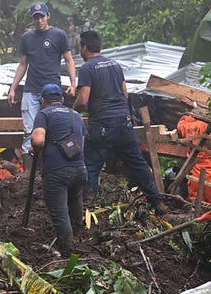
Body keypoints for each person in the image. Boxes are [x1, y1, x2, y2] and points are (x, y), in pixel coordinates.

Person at [73, 30, 168, 214]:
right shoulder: (115, 64)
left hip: (102, 124)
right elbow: (125, 94)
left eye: (80, 48)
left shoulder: (87, 68)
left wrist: (72, 111)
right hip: (124, 122)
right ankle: (158, 203)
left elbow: (83, 99)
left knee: (91, 165)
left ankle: (87, 208)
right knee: (137, 163)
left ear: (84, 47)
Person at [7, 1, 77, 175]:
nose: (39, 20)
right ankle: (28, 175)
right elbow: (23, 64)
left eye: (42, 16)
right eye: (36, 17)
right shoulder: (27, 38)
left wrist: (73, 83)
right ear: (33, 19)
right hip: (31, 89)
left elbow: (69, 60)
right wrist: (13, 88)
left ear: (48, 16)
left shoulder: (58, 35)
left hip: (52, 89)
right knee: (29, 131)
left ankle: (52, 171)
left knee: (53, 130)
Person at [31, 84, 86, 256]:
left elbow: (38, 140)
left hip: (56, 171)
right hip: (79, 168)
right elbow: (81, 143)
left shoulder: (44, 114)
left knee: (59, 211)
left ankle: (68, 248)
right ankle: (77, 237)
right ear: (62, 100)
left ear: (42, 100)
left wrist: (35, 148)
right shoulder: (75, 115)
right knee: (75, 202)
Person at [176, 114, 211, 203]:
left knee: (195, 196)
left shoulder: (187, 124)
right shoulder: (206, 126)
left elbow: (180, 126)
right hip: (207, 165)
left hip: (194, 165)